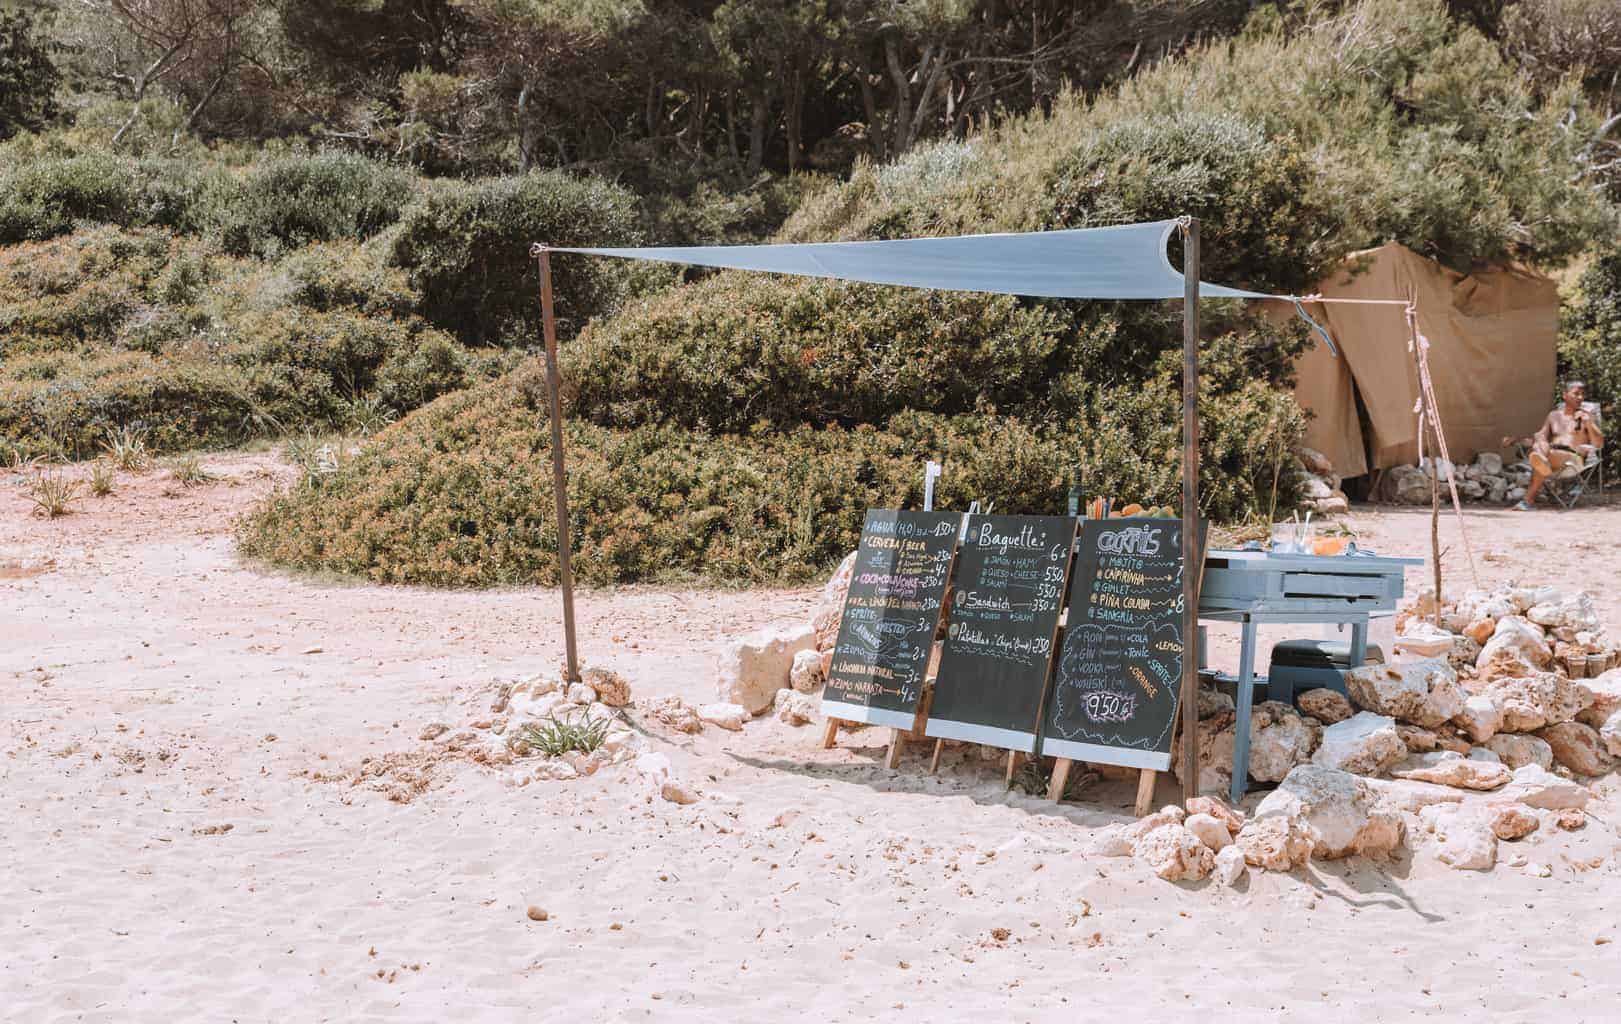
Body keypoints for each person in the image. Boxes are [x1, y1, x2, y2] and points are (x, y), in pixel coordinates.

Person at [1505, 380, 1603, 510]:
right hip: (1551, 453)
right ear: (1565, 395)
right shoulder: (1553, 416)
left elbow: (1599, 444)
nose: (1580, 397)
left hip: (1573, 459)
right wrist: (1516, 440)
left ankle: (1529, 497)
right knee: (1539, 440)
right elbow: (1539, 437)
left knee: (1540, 453)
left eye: (1582, 394)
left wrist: (1589, 423)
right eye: (1576, 394)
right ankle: (1541, 466)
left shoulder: (1586, 416)